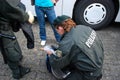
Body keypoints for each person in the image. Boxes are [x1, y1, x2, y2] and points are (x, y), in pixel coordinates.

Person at [43, 15, 104, 80]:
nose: (57, 32)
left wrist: (51, 55)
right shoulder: (83, 27)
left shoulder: (65, 44)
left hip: (89, 73)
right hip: (98, 60)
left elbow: (56, 64)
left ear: (60, 28)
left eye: (56, 30)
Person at [0, 0, 34, 79]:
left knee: (7, 47)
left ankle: (18, 68)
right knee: (10, 49)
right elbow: (13, 8)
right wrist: (27, 16)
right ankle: (16, 73)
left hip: (4, 27)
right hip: (3, 29)